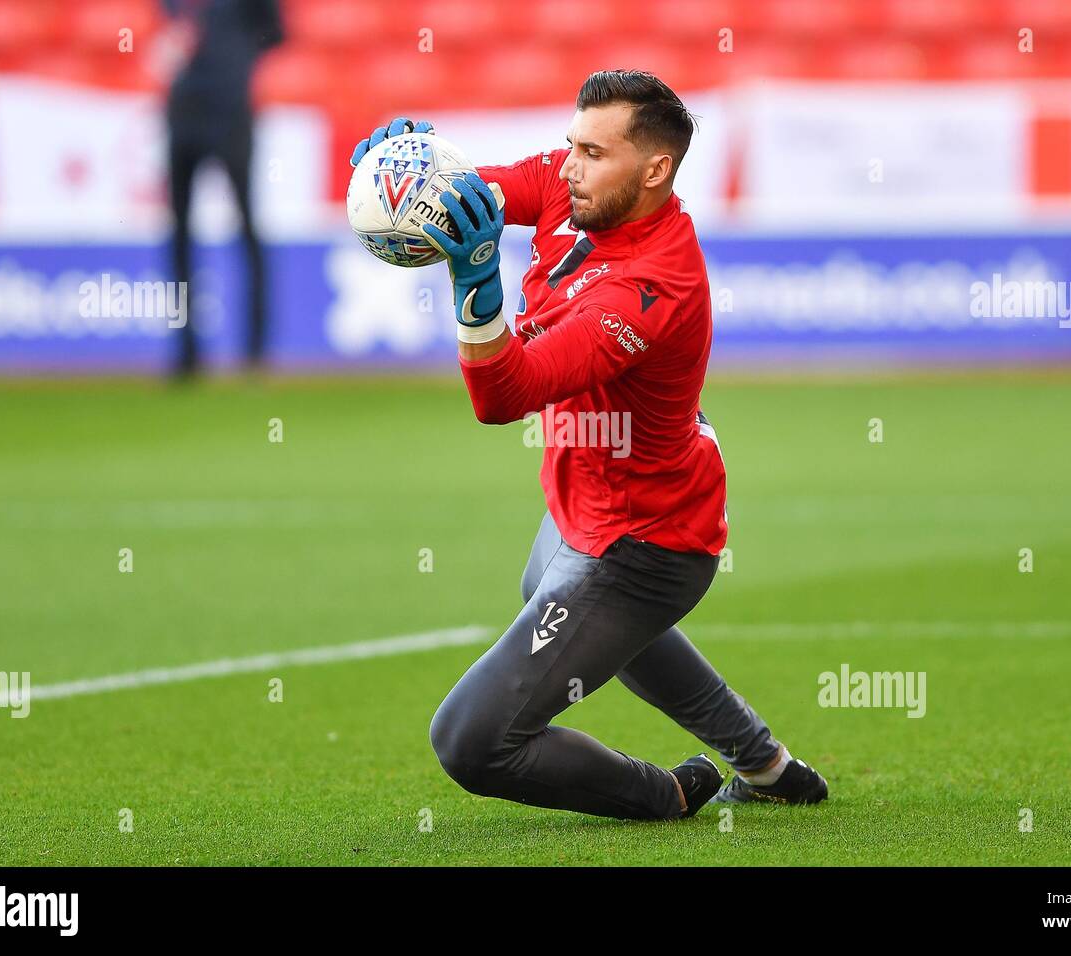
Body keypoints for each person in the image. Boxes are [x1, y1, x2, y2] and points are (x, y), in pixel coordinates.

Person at [350, 71, 829, 821]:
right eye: (571, 143)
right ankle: (766, 765)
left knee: (470, 740)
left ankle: (664, 794)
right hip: (581, 510)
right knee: (584, 615)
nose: (567, 164)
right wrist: (412, 177)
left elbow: (503, 397)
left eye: (592, 152)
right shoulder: (577, 188)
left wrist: (476, 281)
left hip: (643, 543)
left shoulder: (648, 290)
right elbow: (481, 196)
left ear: (654, 170)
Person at [162, 0, 283, 376]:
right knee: (180, 231)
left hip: (229, 111)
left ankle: (254, 352)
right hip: (184, 111)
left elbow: (276, 32)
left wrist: (234, 54)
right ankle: (187, 353)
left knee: (244, 226)